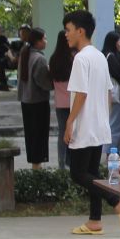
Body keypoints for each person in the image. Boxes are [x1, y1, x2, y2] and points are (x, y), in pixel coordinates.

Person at [63, 11, 120, 237]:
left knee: (78, 174)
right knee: (92, 174)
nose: (66, 35)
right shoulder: (100, 56)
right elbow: (109, 93)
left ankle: (117, 201)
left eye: (69, 30)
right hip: (99, 126)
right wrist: (103, 120)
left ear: (80, 31)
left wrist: (70, 123)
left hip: (86, 125)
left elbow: (80, 93)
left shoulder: (81, 58)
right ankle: (94, 221)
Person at [17, 29, 52, 165]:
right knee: (40, 136)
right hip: (38, 101)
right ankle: (37, 168)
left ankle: (34, 165)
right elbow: (44, 82)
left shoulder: (24, 53)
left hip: (26, 100)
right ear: (38, 41)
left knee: (31, 136)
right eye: (44, 39)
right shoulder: (40, 59)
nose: (46, 41)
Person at [102, 30, 120, 153]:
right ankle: (112, 153)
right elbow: (119, 75)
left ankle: (113, 152)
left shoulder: (107, 54)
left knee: (113, 124)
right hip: (116, 95)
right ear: (114, 43)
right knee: (115, 126)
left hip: (111, 94)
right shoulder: (112, 57)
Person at [50, 35, 74, 170]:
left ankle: (61, 163)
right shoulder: (73, 58)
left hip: (60, 102)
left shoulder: (54, 59)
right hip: (73, 101)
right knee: (73, 132)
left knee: (62, 132)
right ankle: (71, 161)